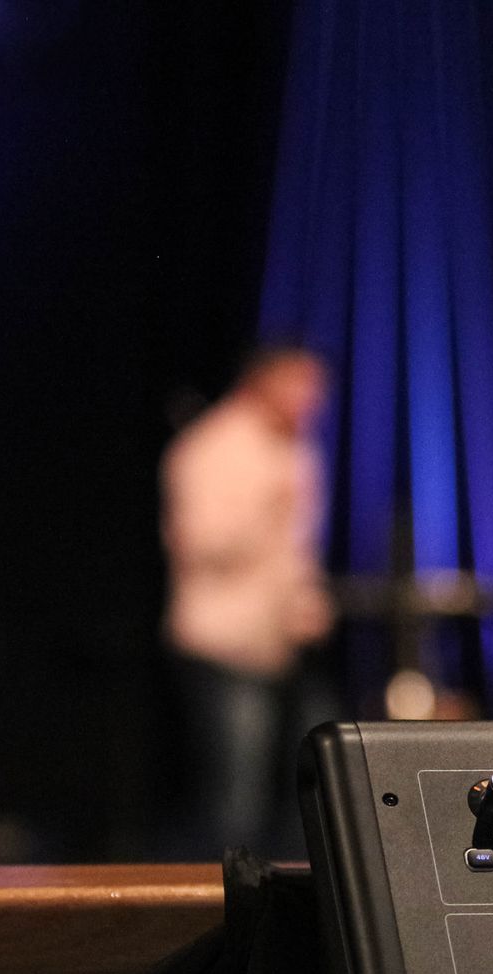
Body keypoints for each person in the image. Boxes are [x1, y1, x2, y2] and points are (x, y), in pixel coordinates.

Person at [161, 349, 337, 857]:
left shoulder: (294, 449)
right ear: (265, 382)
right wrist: (265, 502)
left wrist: (305, 599)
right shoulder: (212, 446)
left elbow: (294, 549)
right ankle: (223, 919)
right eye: (303, 386)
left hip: (280, 641)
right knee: (236, 796)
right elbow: (199, 542)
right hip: (223, 644)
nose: (314, 401)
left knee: (314, 776)